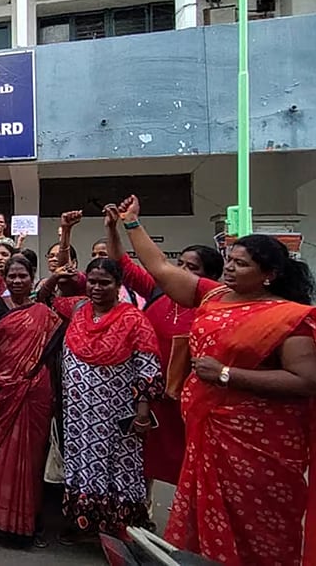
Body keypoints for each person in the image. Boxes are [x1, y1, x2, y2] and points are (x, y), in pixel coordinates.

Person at [118, 194, 316, 566]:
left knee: (258, 529)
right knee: (203, 524)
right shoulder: (215, 295)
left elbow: (308, 381)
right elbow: (159, 267)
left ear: (269, 274)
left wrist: (226, 374)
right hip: (208, 434)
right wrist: (131, 223)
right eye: (229, 260)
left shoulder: (290, 317)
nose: (230, 268)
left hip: (258, 444)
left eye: (241, 264)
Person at [99, 205, 222, 488]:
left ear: (208, 278)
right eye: (181, 264)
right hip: (149, 400)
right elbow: (121, 264)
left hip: (189, 403)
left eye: (192, 268)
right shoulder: (157, 291)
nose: (182, 271)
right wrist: (112, 228)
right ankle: (143, 510)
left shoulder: (212, 306)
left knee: (191, 467)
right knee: (143, 462)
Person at [43, 257, 162, 543]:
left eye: (105, 283)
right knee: (81, 464)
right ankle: (84, 525)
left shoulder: (134, 320)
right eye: (93, 282)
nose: (97, 288)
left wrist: (142, 413)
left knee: (118, 468)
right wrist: (56, 276)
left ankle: (120, 531)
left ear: (118, 285)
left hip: (115, 414)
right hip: (79, 415)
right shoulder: (78, 308)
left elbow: (148, 370)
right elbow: (44, 299)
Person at [0, 254, 60, 546]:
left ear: (32, 278)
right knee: (1, 456)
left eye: (23, 276)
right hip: (3, 390)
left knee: (33, 459)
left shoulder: (44, 311)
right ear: (5, 279)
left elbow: (51, 357)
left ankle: (32, 522)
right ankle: (0, 521)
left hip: (36, 391)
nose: (17, 281)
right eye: (12, 276)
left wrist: (56, 394)